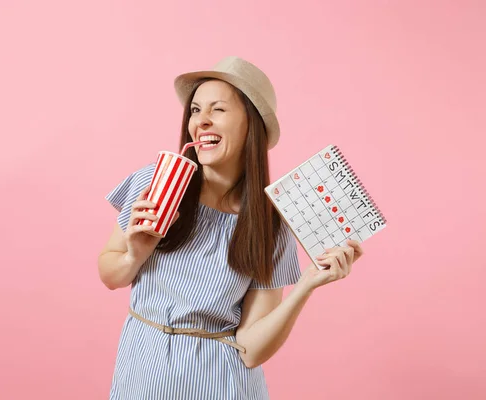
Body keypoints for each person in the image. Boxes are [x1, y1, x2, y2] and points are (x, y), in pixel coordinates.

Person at [98, 56, 364, 399]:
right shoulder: (155, 183)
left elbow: (250, 349)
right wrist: (134, 256)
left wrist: (307, 285)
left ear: (250, 124)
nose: (201, 121)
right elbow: (110, 275)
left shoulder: (269, 224)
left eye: (218, 110)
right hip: (141, 374)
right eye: (195, 110)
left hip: (221, 383)